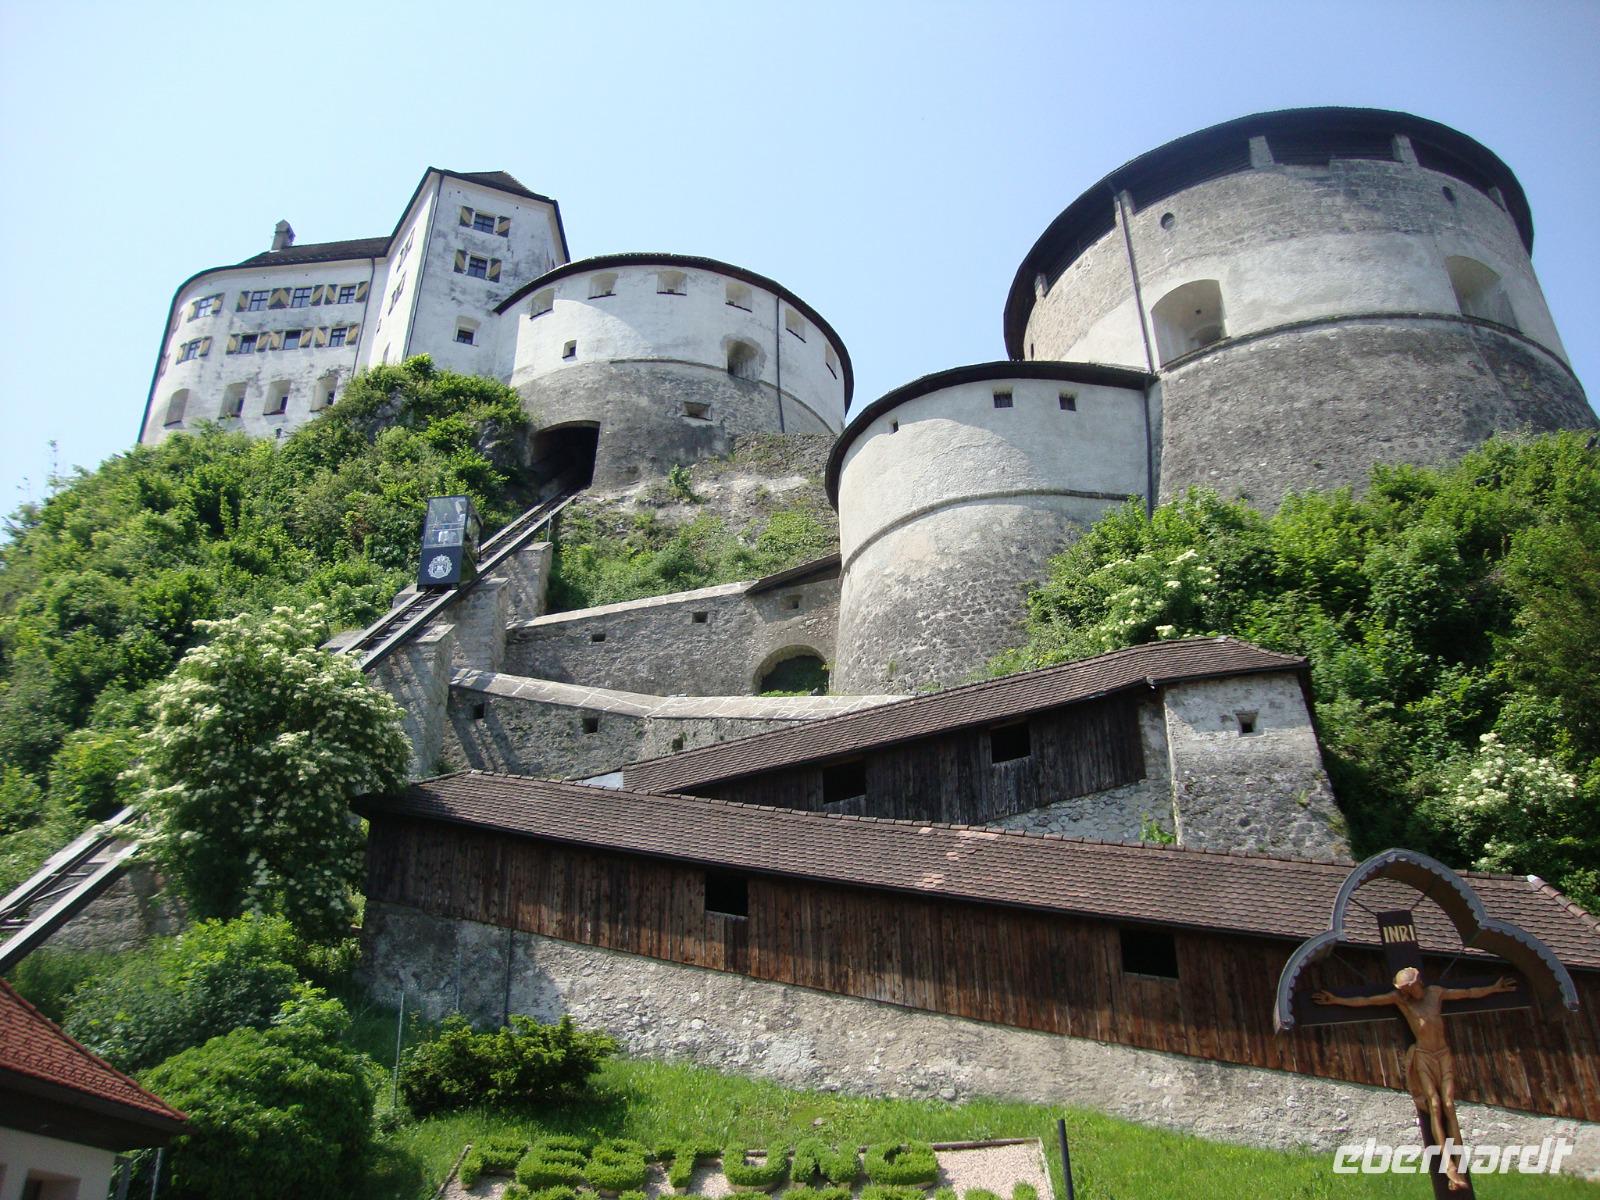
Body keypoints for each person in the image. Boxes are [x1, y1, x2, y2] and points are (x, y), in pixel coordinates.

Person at [1314, 968, 1516, 1191]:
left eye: (1412, 989)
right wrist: (1336, 1000)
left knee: (1449, 1104)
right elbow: (1366, 1000)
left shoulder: (1436, 993)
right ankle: (1449, 1168)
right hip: (1423, 1056)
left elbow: (1467, 993)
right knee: (1435, 1105)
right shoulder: (1401, 1001)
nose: (1411, 994)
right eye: (1407, 991)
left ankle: (1459, 1167)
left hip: (1443, 1054)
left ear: (1419, 983)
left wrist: (1494, 988)